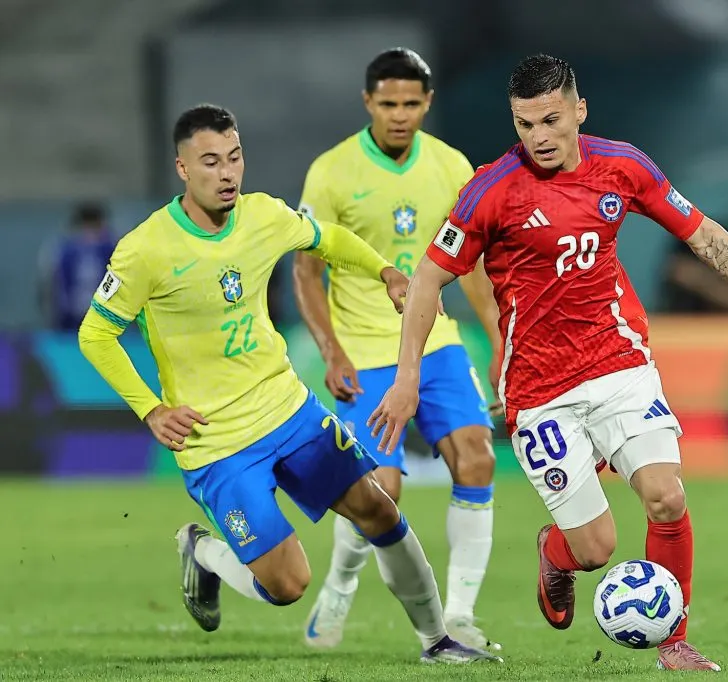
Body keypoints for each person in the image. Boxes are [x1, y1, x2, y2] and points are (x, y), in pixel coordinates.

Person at [367, 55, 728, 672]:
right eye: (524, 124)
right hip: (539, 387)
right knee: (596, 548)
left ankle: (676, 641)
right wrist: (407, 380)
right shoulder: (490, 191)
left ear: (579, 111)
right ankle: (555, 554)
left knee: (665, 495)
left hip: (619, 363)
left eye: (551, 120)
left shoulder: (623, 167)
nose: (538, 137)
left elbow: (704, 235)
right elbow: (427, 280)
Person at [77, 104, 500, 665]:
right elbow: (95, 334)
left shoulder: (263, 216)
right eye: (210, 162)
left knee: (379, 510)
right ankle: (204, 553)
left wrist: (386, 272)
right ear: (181, 168)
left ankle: (437, 640)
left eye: (234, 158)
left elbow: (329, 241)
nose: (227, 173)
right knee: (287, 583)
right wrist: (151, 409)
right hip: (217, 443)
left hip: (289, 411)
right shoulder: (146, 249)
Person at [293, 47, 501, 651]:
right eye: (389, 103)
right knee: (379, 491)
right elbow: (306, 272)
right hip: (363, 352)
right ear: (368, 103)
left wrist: (497, 342)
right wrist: (331, 351)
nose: (400, 115)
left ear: (428, 103)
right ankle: (337, 587)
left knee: (477, 459)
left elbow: (475, 269)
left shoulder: (452, 166)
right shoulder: (331, 173)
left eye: (412, 103)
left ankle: (458, 617)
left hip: (435, 345)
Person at [40, 201, 116, 330]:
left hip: (98, 315)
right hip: (73, 316)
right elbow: (53, 284)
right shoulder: (66, 250)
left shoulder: (110, 248)